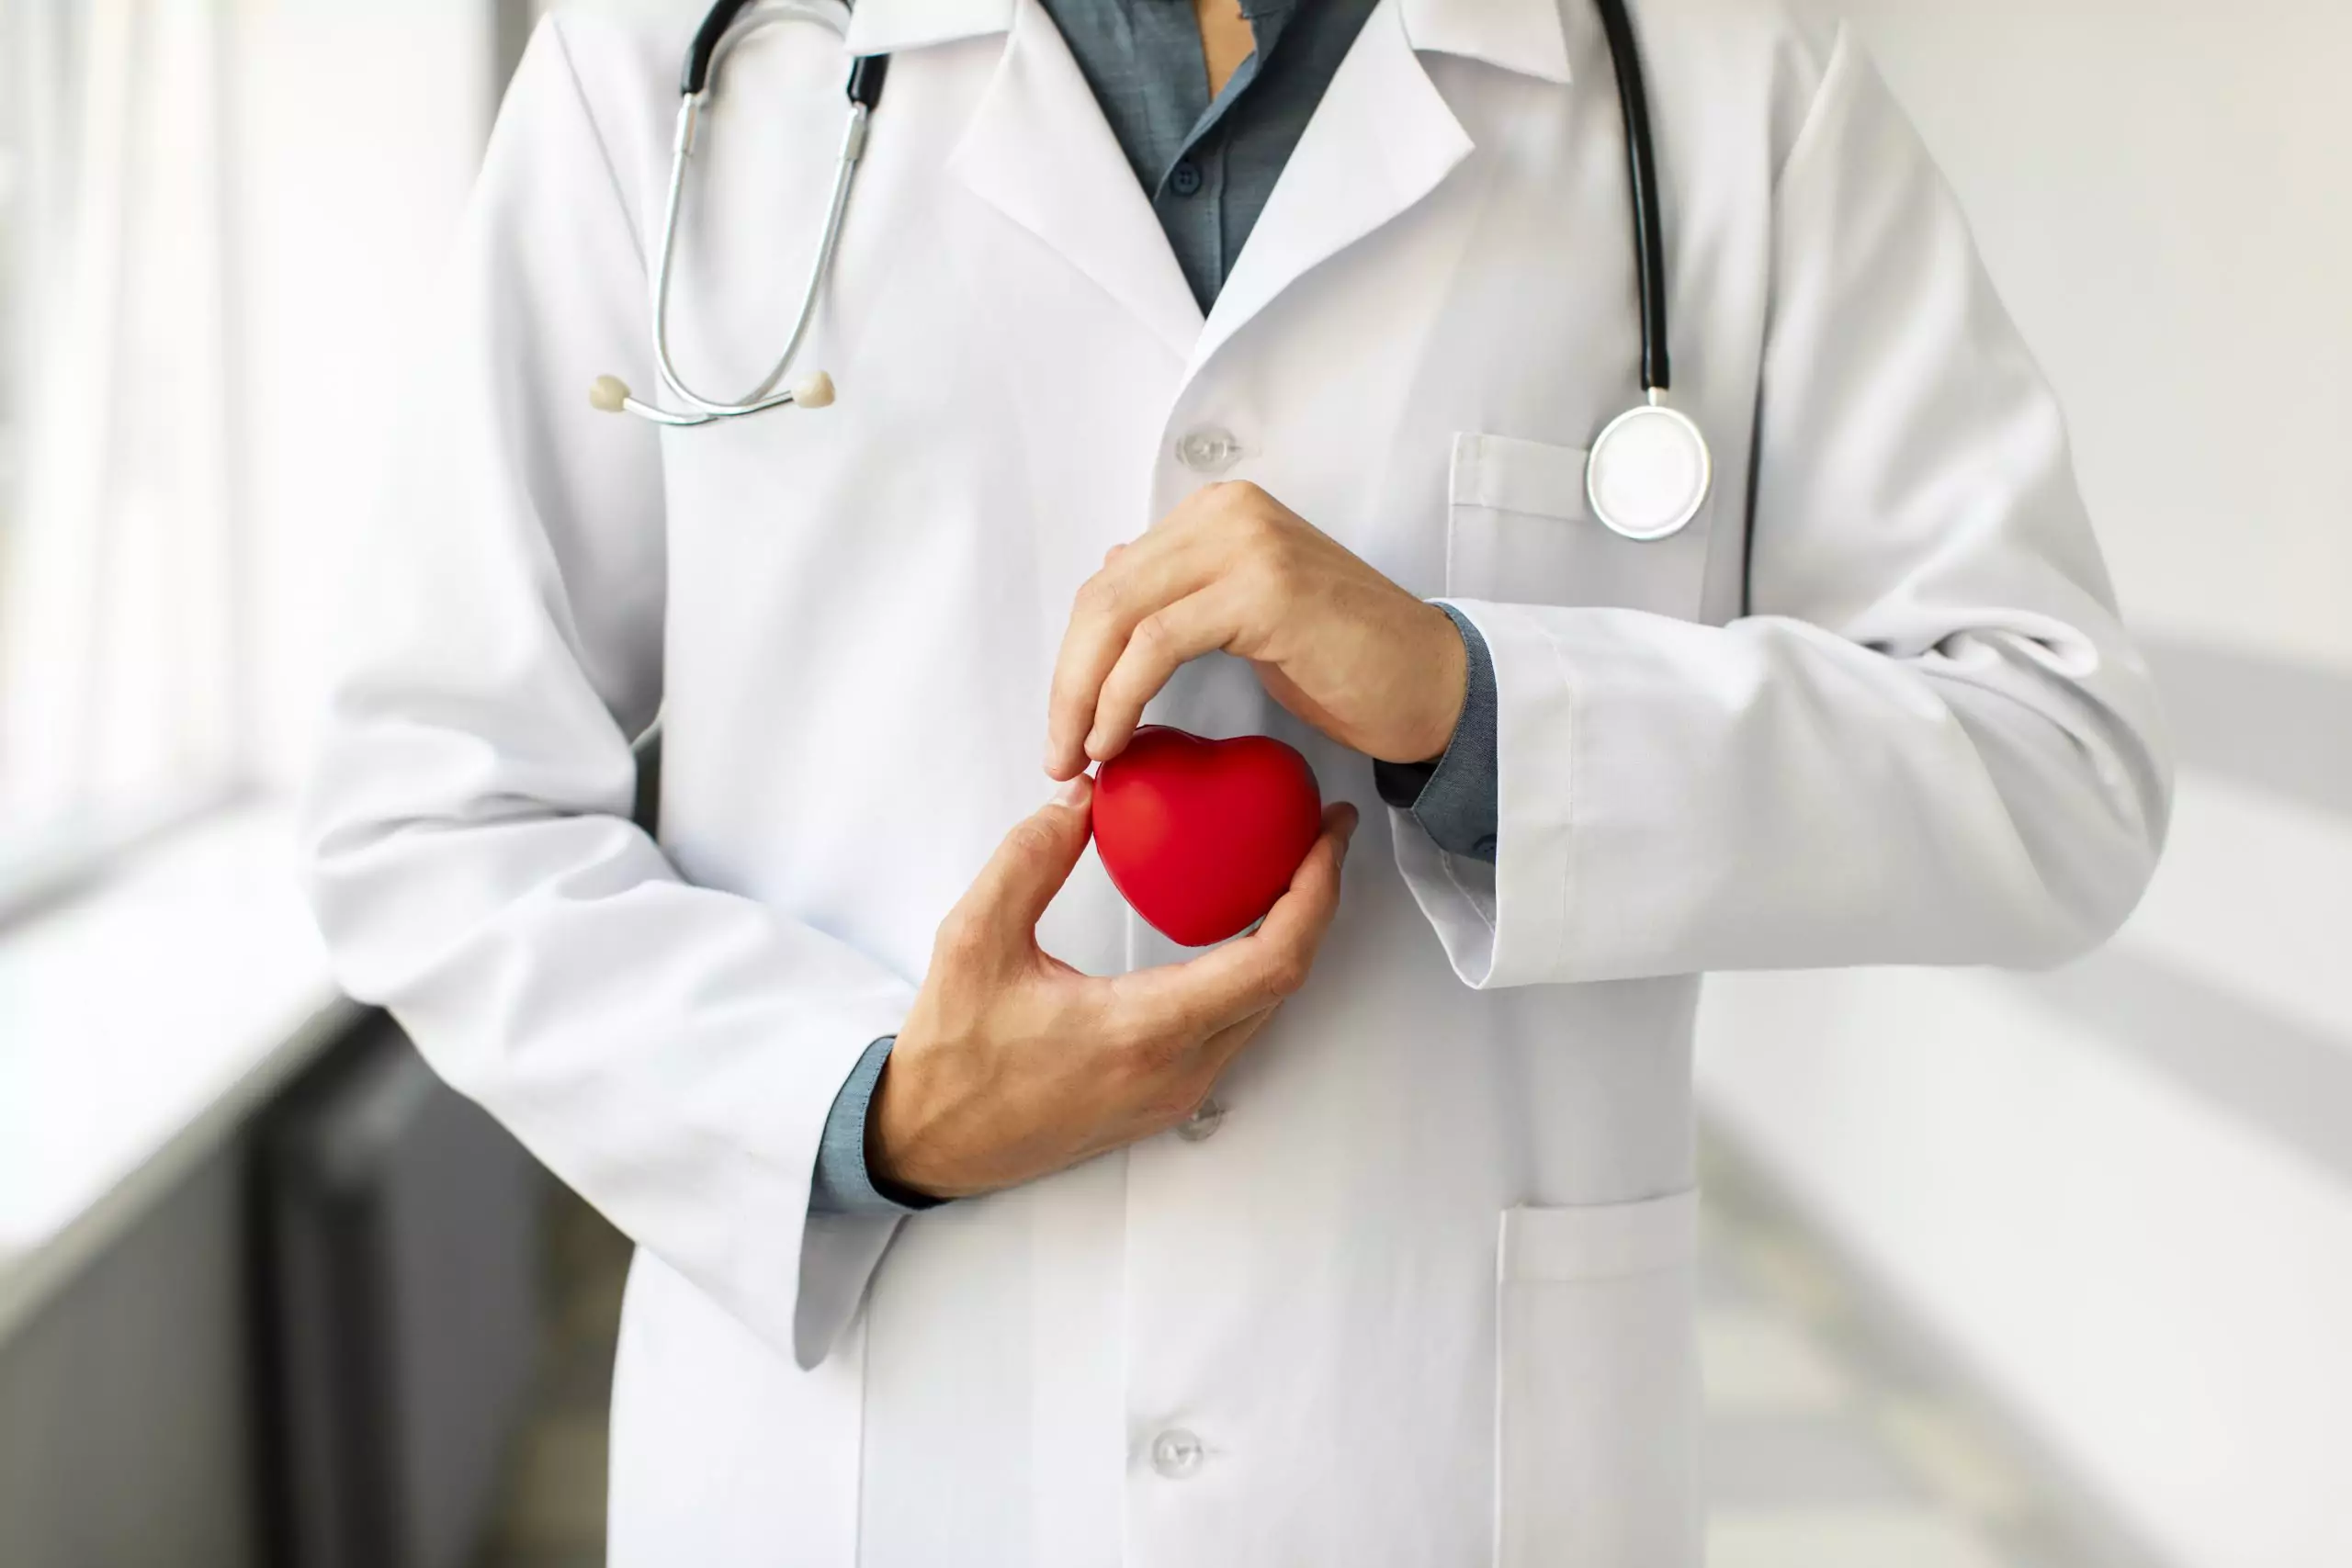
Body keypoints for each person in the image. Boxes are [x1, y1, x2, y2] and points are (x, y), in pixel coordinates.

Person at [300, 0, 2171, 1562]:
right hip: (865, 1468)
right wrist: (868, 1113)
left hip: (1439, 1474)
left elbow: (2049, 752)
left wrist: (1478, 701)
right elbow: (429, 802)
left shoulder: (1715, 84)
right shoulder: (678, 70)